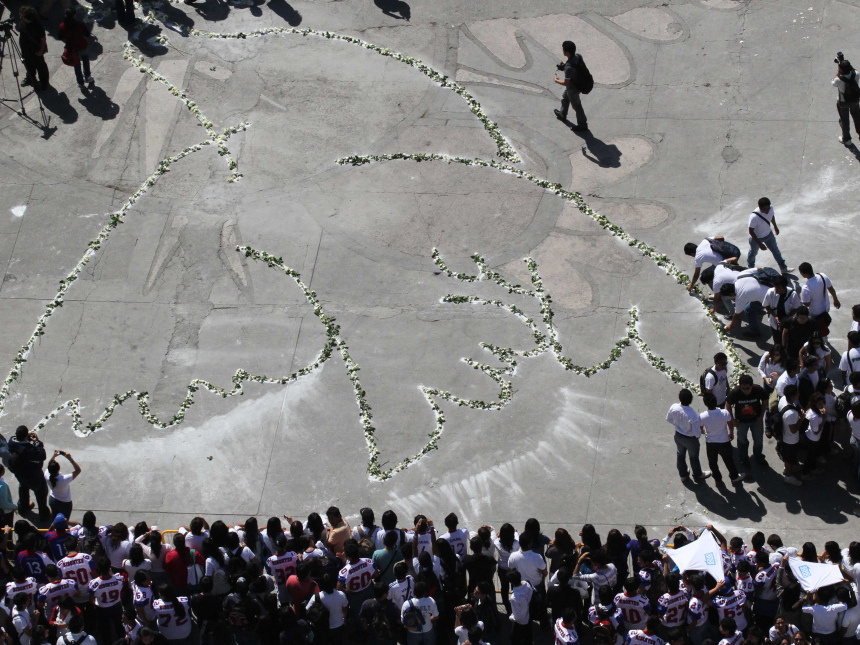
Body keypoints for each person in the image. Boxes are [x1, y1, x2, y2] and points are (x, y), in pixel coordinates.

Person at [666, 388, 711, 482]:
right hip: (690, 439)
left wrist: (678, 425)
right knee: (694, 457)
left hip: (678, 436)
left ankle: (683, 474)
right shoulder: (693, 415)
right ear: (690, 400)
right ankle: (698, 474)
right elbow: (696, 432)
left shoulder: (674, 407)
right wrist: (698, 435)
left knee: (680, 455)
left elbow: (668, 419)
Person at [701, 392, 745, 485]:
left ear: (705, 404)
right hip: (724, 441)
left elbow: (700, 427)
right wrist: (731, 433)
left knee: (713, 462)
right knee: (729, 460)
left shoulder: (702, 415)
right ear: (716, 402)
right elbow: (730, 423)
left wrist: (704, 431)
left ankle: (718, 479)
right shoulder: (724, 412)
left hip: (710, 442)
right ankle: (734, 477)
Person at [727, 375, 768, 470]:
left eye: (748, 388)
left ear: (752, 385)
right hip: (741, 422)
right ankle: (744, 459)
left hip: (756, 420)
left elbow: (765, 400)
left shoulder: (758, 389)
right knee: (742, 441)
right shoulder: (735, 392)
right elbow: (728, 404)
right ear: (740, 386)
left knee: (758, 440)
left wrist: (761, 416)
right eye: (743, 388)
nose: (746, 390)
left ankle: (758, 456)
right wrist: (733, 420)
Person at [8, 426, 49, 519]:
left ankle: (23, 507)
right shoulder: (28, 449)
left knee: (23, 488)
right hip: (33, 476)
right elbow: (42, 455)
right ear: (26, 435)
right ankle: (44, 513)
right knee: (41, 493)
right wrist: (37, 442)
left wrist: (27, 439)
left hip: (20, 474)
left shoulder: (11, 442)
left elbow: (19, 442)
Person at [720, 270, 771, 338]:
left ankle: (755, 333)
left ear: (732, 294)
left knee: (748, 310)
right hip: (771, 286)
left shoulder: (740, 297)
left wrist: (731, 326)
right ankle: (758, 310)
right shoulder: (741, 276)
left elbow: (737, 316)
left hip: (769, 297)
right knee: (752, 300)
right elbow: (759, 269)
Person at [746, 197, 790, 274]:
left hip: (769, 235)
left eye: (768, 208)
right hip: (757, 239)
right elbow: (751, 231)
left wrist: (775, 227)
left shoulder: (770, 208)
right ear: (760, 208)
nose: (767, 211)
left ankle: (783, 268)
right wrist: (760, 244)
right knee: (753, 253)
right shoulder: (753, 217)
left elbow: (771, 216)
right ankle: (750, 269)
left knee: (776, 251)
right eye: (765, 209)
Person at [553, 40, 588, 131]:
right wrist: (564, 65)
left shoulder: (569, 68)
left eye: (563, 50)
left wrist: (556, 80)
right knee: (564, 97)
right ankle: (562, 114)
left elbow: (566, 83)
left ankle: (582, 125)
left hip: (573, 88)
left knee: (576, 106)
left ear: (566, 52)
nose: (562, 50)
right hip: (578, 83)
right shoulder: (578, 56)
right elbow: (570, 62)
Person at [799, 263, 840, 338]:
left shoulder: (806, 287)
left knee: (815, 330)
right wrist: (835, 300)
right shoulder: (822, 276)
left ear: (803, 274)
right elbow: (831, 289)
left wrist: (801, 295)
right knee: (823, 325)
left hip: (815, 313)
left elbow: (807, 304)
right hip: (825, 308)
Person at [306, 574, 348, 645]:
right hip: (338, 626)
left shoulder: (316, 597)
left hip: (323, 628)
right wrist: (343, 619)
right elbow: (345, 609)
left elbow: (307, 610)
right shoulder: (341, 595)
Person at [58, 8, 94, 87]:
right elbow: (87, 34)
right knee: (85, 62)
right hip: (82, 45)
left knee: (76, 65)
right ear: (74, 15)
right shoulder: (80, 24)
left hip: (72, 49)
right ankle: (87, 77)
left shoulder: (62, 26)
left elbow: (60, 37)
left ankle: (80, 82)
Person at [777, 384, 803, 486]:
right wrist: (801, 418)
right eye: (797, 393)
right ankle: (789, 476)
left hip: (784, 435)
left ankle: (788, 468)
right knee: (789, 458)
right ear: (793, 396)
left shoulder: (783, 399)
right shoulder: (791, 413)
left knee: (788, 457)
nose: (798, 395)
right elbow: (794, 430)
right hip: (790, 439)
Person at [17, 7, 48, 91]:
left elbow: (43, 40)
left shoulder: (37, 26)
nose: (20, 16)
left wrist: (41, 51)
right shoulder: (23, 22)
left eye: (22, 15)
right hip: (25, 50)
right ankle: (30, 78)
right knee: (28, 66)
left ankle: (44, 83)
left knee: (41, 67)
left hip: (36, 51)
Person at [763, 276, 800, 346]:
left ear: (784, 287)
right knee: (777, 341)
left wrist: (786, 319)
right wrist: (775, 316)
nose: (775, 290)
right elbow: (766, 305)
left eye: (778, 288)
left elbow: (796, 308)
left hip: (788, 321)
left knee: (789, 340)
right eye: (775, 287)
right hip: (774, 322)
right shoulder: (770, 292)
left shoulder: (793, 294)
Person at [45, 451, 80, 520]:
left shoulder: (46, 475)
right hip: (65, 503)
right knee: (64, 521)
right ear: (59, 469)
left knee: (55, 519)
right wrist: (70, 459)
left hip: (52, 499)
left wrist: (54, 456)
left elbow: (49, 465)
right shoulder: (63, 479)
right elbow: (78, 470)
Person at [401, 580, 438, 645]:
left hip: (413, 632)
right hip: (428, 630)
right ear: (425, 592)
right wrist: (427, 620)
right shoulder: (431, 600)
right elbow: (436, 616)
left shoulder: (406, 604)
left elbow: (402, 620)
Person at [833, 57, 860, 144]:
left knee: (844, 120)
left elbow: (833, 82)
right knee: (857, 118)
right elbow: (854, 70)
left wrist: (839, 71)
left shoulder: (838, 80)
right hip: (855, 101)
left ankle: (847, 139)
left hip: (843, 102)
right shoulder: (856, 74)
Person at [507, 570, 533, 645]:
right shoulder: (527, 584)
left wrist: (511, 617)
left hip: (520, 623)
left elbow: (517, 617)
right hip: (528, 618)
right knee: (528, 640)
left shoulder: (515, 598)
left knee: (515, 640)